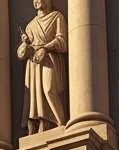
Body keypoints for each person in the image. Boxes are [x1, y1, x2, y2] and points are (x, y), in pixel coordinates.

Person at [17, 0, 68, 134]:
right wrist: (25, 45)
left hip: (50, 58)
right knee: (35, 96)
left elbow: (62, 41)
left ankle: (60, 122)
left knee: (49, 89)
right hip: (34, 64)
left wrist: (45, 48)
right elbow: (22, 53)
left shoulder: (57, 17)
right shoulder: (30, 26)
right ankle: (42, 123)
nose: (37, 1)